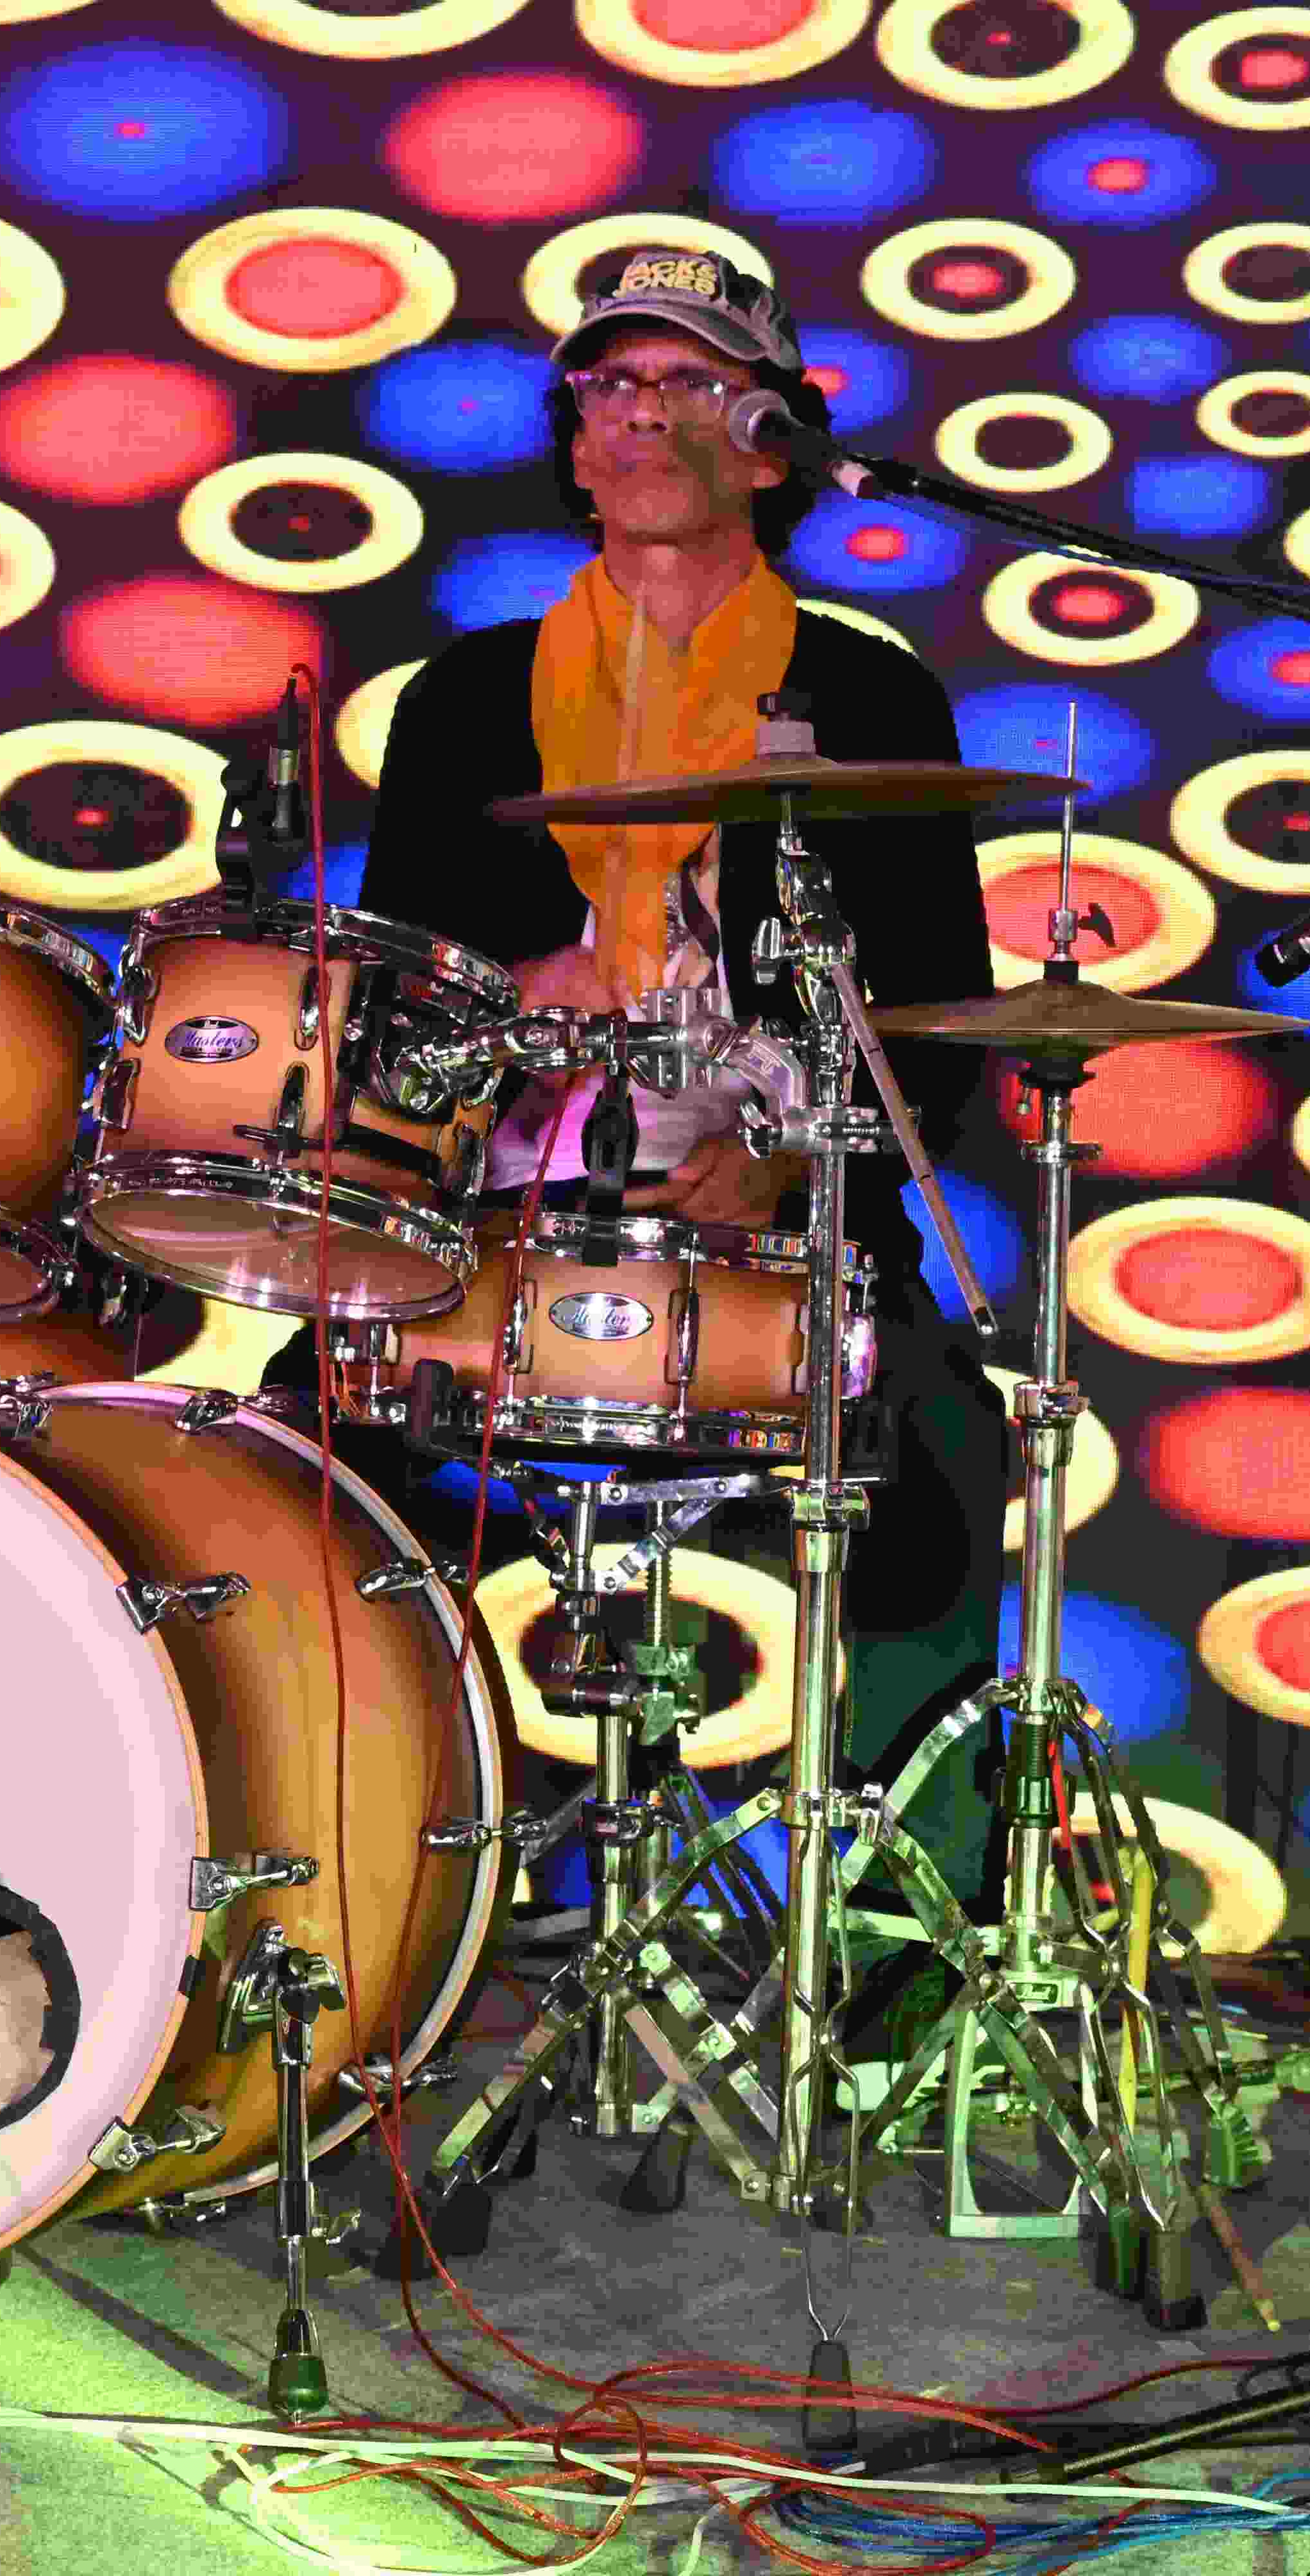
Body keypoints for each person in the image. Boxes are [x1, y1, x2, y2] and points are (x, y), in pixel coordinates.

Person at [343, 248, 1016, 1926]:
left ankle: (895, 1949)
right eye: (611, 386)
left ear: (774, 443)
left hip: (781, 1250)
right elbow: (387, 1019)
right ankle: (364, 1905)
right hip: (502, 1244)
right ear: (574, 444)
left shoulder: (872, 696)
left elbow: (939, 1035)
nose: (641, 416)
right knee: (306, 1441)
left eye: (691, 384)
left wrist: (793, 1167)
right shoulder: (465, 700)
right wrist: (506, 1010)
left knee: (944, 1443)